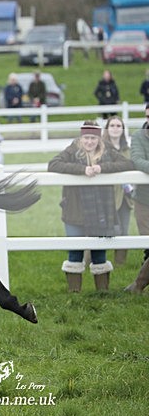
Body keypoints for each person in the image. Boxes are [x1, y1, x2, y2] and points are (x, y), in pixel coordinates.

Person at [48, 121, 133, 292]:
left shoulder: (107, 149)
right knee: (75, 251)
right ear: (81, 137)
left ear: (99, 137)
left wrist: (102, 168)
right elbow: (54, 164)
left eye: (93, 138)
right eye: (86, 137)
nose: (89, 141)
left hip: (101, 208)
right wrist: (82, 169)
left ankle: (102, 292)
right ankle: (74, 293)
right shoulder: (73, 149)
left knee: (99, 251)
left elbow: (127, 164)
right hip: (74, 208)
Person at [104, 115, 133, 266]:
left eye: (118, 126)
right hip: (106, 197)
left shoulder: (128, 150)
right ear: (107, 129)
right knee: (100, 232)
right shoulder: (100, 148)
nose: (115, 129)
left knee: (124, 231)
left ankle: (120, 265)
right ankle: (91, 262)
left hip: (126, 197)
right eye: (112, 126)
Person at [127, 104, 149, 293]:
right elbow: (138, 160)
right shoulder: (138, 136)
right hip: (144, 200)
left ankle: (138, 285)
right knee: (147, 245)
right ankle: (138, 285)